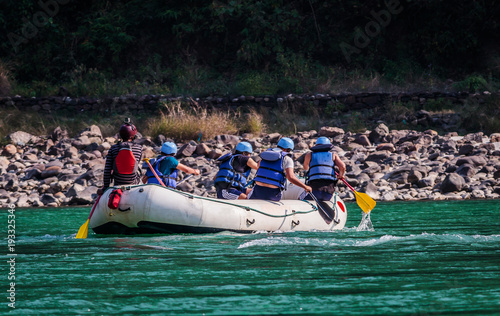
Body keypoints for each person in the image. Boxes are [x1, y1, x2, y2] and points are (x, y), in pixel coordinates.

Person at [248, 137, 312, 201]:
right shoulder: (287, 159)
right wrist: (305, 187)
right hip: (272, 193)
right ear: (288, 150)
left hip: (257, 189)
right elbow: (291, 177)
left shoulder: (265, 154)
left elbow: (259, 166)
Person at [97, 119, 143, 195]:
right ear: (133, 135)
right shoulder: (139, 148)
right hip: (134, 184)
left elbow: (107, 170)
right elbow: (136, 166)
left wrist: (105, 187)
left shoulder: (113, 148)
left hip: (118, 184)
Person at [302, 136, 346, 201]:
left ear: (316, 145)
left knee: (302, 198)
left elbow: (305, 168)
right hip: (329, 191)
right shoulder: (333, 155)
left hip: (314, 189)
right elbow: (342, 166)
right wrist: (340, 175)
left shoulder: (309, 155)